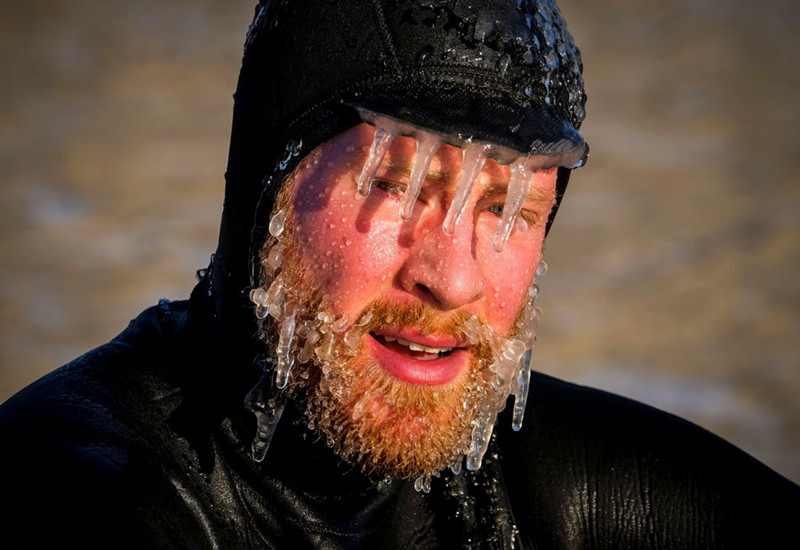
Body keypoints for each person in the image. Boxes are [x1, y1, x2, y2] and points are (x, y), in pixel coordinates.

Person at [1, 1, 798, 548]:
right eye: (393, 185)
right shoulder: (77, 486)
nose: (452, 280)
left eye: (506, 207)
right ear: (263, 196)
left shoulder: (529, 483)